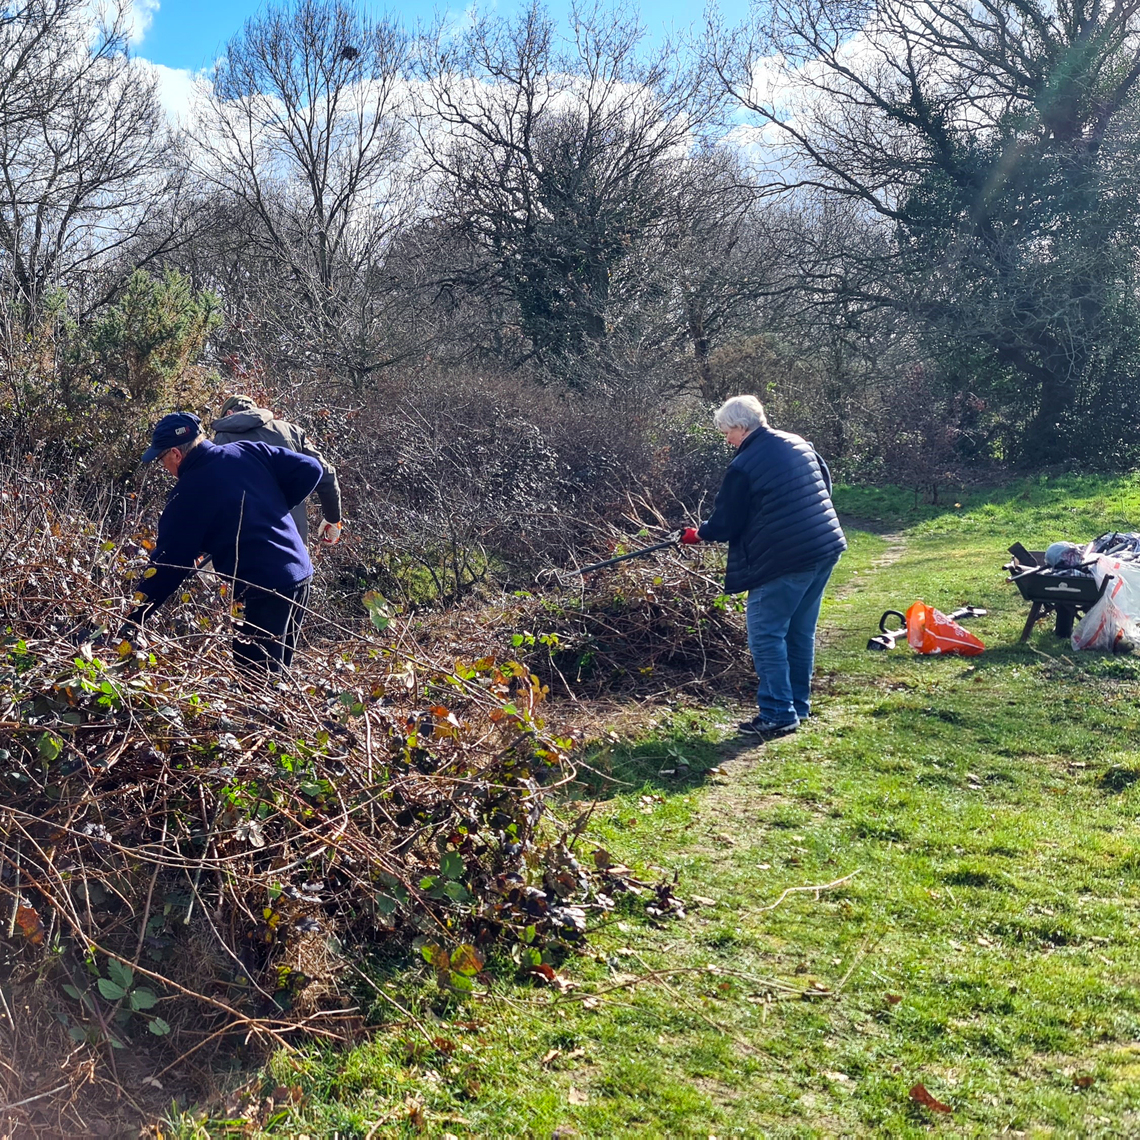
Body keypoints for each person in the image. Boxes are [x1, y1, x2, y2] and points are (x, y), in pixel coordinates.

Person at [681, 395, 847, 737]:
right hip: (825, 546)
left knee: (765, 634)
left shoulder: (744, 465)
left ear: (742, 427)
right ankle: (797, 707)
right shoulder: (799, 443)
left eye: (727, 432)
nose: (726, 439)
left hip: (784, 558)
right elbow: (823, 488)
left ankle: (777, 713)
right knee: (800, 632)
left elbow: (726, 522)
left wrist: (699, 534)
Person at [122, 411, 324, 673]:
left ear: (175, 453)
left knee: (254, 682)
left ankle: (264, 713)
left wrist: (134, 617)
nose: (165, 468)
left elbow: (168, 566)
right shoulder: (246, 451)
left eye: (161, 459)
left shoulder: (187, 494)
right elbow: (311, 468)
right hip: (300, 574)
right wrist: (272, 510)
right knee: (278, 675)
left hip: (262, 589)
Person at [211, 394, 343, 546]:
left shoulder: (223, 439)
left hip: (247, 546)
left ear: (229, 414)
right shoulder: (292, 431)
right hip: (294, 542)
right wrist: (333, 518)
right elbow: (326, 475)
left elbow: (214, 495)